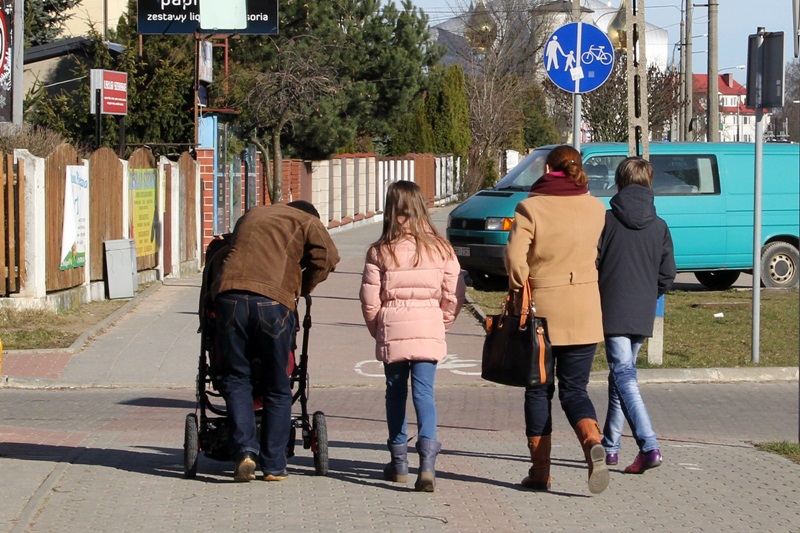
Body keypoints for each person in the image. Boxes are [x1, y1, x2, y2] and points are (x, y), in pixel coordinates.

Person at [504, 144, 609, 494]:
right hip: (587, 310)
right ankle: (592, 440)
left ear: (548, 170)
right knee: (575, 389)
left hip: (543, 315)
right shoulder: (597, 208)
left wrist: (523, 285)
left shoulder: (530, 208)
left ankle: (540, 472)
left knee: (538, 389)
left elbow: (516, 262)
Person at [211, 200, 340, 482]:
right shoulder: (307, 221)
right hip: (272, 305)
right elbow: (328, 258)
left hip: (228, 297)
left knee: (235, 379)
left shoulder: (253, 214)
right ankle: (273, 464)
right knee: (278, 385)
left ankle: (245, 452)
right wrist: (301, 288)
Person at [359, 181, 465, 493]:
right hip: (429, 325)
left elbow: (369, 301)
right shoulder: (441, 248)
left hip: (393, 326)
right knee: (424, 394)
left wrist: (380, 330)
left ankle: (399, 462)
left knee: (395, 394)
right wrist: (440, 323)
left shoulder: (380, 250)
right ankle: (428, 465)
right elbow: (454, 294)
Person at [597, 157, 676, 474]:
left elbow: (594, 262)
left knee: (624, 377)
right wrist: (648, 295)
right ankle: (611, 446)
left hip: (613, 308)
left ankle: (648, 445)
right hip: (642, 310)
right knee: (621, 375)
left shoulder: (606, 221)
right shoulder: (659, 226)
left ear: (618, 183)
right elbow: (667, 274)